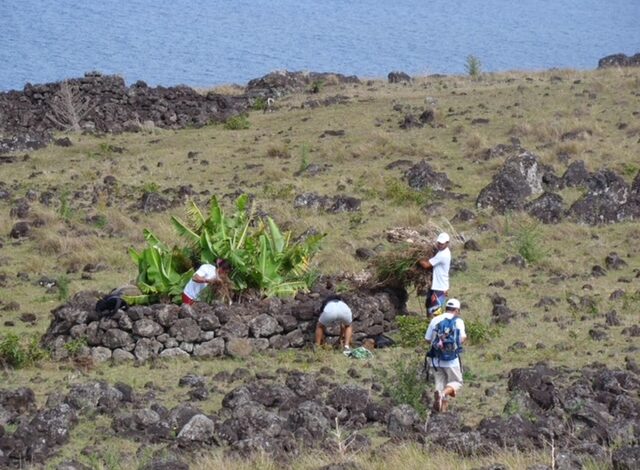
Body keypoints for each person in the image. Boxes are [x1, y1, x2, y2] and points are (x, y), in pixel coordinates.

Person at [424, 298, 466, 413]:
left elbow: (427, 339)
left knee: (439, 383)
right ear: (457, 310)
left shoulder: (435, 320)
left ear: (446, 308)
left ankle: (441, 410)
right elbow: (462, 339)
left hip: (435, 360)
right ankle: (442, 395)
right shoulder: (458, 321)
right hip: (452, 361)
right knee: (457, 382)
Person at [418, 232, 452, 316]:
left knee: (435, 312)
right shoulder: (441, 252)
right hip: (436, 285)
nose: (440, 245)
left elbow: (426, 265)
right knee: (429, 307)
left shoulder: (443, 255)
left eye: (442, 244)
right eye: (439, 243)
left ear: (447, 243)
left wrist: (417, 258)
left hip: (440, 287)